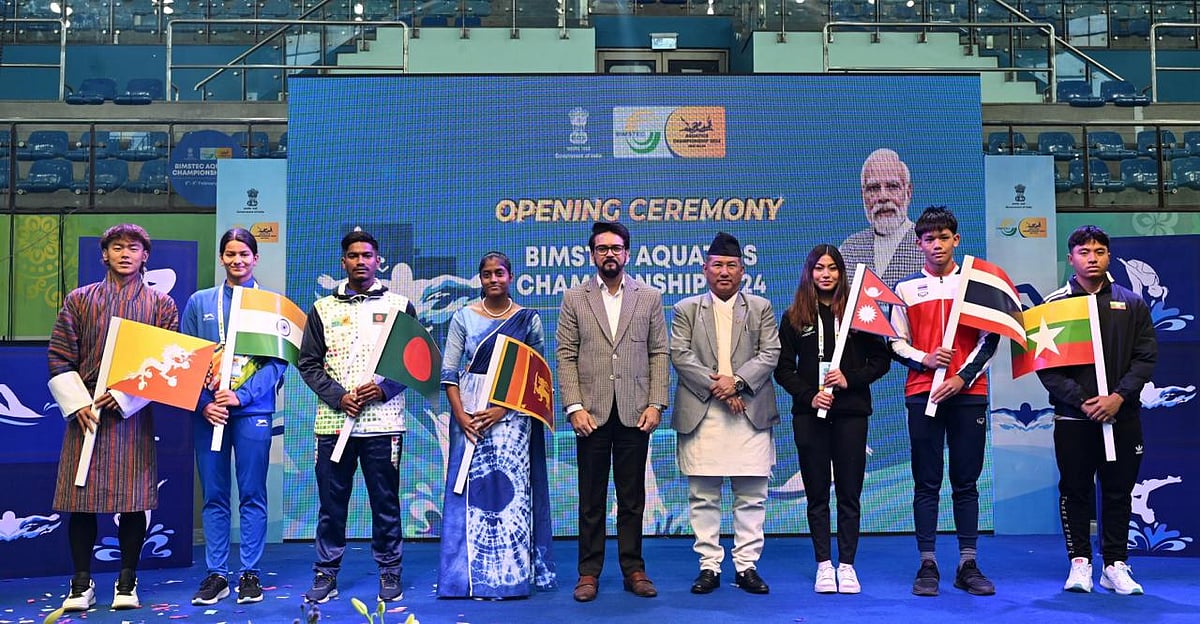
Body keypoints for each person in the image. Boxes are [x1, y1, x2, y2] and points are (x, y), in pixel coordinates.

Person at [47, 224, 178, 612]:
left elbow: (169, 363)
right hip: (86, 413)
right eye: (117, 247)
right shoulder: (79, 300)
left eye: (133, 248)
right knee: (81, 500)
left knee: (133, 500)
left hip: (131, 415)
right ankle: (81, 582)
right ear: (104, 254)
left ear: (145, 256)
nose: (125, 254)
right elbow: (59, 356)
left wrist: (124, 396)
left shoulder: (161, 305)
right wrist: (78, 404)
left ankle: (127, 579)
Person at [1036, 225, 1156, 595]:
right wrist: (1082, 400)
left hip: (1122, 415)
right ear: (1071, 258)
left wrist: (1118, 397)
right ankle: (1080, 563)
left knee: (1118, 491)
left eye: (1099, 251)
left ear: (1108, 256)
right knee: (1075, 490)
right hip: (1074, 418)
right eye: (1084, 252)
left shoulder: (1131, 303)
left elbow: (1145, 357)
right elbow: (1046, 367)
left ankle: (1115, 565)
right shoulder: (1055, 306)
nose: (1092, 258)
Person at [297, 230, 416, 604]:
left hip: (384, 424)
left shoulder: (400, 305)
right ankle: (326, 573)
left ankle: (390, 570)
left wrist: (382, 390)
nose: (360, 261)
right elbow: (308, 363)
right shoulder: (323, 308)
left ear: (378, 260)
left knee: (385, 502)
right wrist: (340, 397)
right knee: (332, 505)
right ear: (343, 262)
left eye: (367, 255)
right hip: (334, 424)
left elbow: (414, 363)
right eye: (353, 255)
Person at [556, 221, 669, 602]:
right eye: (602, 248)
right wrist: (574, 407)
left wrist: (656, 403)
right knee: (591, 500)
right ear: (592, 254)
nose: (610, 254)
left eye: (616, 248)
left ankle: (634, 569)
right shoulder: (575, 297)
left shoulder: (649, 297)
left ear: (627, 254)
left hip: (636, 412)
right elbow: (566, 355)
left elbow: (659, 352)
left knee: (632, 499)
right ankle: (588, 572)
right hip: (591, 414)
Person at [890, 206, 999, 597]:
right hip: (923, 393)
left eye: (943, 237)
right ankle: (928, 564)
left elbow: (990, 339)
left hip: (968, 395)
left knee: (966, 481)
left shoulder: (975, 286)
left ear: (956, 240)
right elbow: (895, 342)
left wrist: (960, 378)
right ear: (919, 244)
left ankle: (968, 563)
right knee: (926, 481)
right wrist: (927, 360)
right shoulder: (904, 290)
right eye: (929, 239)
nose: (936, 245)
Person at [438, 251, 556, 599]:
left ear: (510, 277)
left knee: (512, 493)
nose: (493, 279)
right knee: (470, 490)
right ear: (480, 278)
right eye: (487, 274)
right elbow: (449, 372)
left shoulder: (528, 319)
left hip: (514, 415)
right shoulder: (463, 317)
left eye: (499, 273)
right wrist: (461, 416)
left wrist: (501, 410)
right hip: (469, 412)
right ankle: (463, 579)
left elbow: (536, 373)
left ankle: (511, 577)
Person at [774, 244, 890, 594]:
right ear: (809, 273)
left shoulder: (860, 314)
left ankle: (847, 565)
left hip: (851, 414)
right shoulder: (794, 317)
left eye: (833, 268)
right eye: (819, 268)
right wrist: (810, 395)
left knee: (849, 493)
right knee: (817, 493)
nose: (826, 274)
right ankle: (824, 564)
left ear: (841, 273)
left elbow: (881, 361)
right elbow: (783, 369)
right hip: (810, 416)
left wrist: (849, 379)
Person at [670, 231, 780, 596]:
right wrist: (721, 387)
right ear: (705, 269)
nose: (724, 272)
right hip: (703, 412)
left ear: (742, 271)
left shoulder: (760, 307)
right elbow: (680, 355)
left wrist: (738, 384)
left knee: (752, 494)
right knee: (704, 495)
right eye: (717, 265)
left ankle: (746, 565)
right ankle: (709, 565)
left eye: (731, 265)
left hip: (749, 410)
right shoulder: (686, 309)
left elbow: (770, 353)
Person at [182, 228, 288, 606]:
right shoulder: (200, 302)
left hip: (252, 412)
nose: (237, 260)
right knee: (214, 494)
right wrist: (203, 403)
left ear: (255, 258)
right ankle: (216, 575)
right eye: (230, 254)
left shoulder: (271, 305)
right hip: (209, 412)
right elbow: (186, 359)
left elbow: (278, 364)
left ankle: (249, 574)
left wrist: (241, 396)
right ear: (222, 258)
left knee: (252, 492)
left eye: (244, 254)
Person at [840, 148, 926, 288]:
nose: (883, 197)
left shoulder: (929, 247)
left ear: (908, 193)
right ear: (863, 195)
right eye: (873, 188)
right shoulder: (849, 251)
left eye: (892, 187)